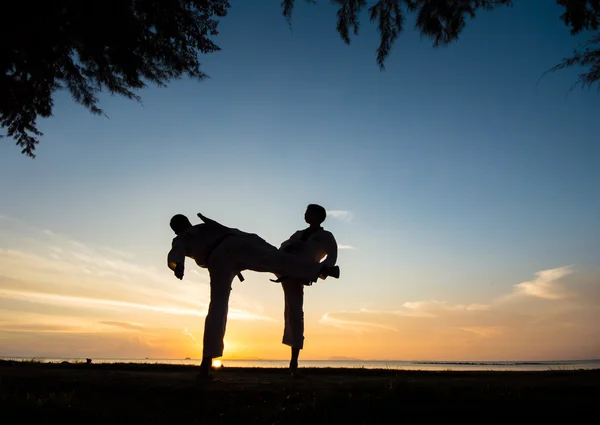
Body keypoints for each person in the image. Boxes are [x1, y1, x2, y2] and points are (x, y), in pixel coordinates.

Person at [167, 212, 340, 380]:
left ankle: (206, 365)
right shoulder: (194, 231)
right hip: (231, 248)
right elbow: (177, 252)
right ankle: (320, 270)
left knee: (218, 305)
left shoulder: (191, 233)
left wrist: (178, 265)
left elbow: (176, 252)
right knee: (272, 259)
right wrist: (178, 264)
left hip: (224, 253)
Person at [275, 204, 338, 376]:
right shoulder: (298, 234)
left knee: (295, 313)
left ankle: (294, 362)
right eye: (305, 213)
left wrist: (320, 270)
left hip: (302, 272)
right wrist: (291, 247)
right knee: (291, 312)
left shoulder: (325, 236)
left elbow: (332, 256)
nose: (305, 215)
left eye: (308, 213)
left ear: (318, 217)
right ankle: (293, 362)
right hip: (285, 268)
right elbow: (282, 248)